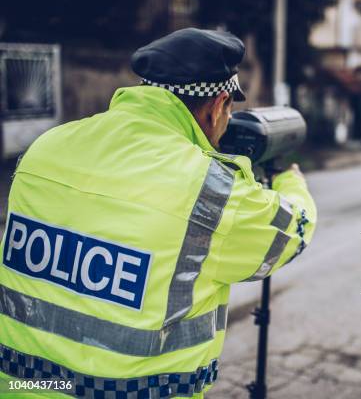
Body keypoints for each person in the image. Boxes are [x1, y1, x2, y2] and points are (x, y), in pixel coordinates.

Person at [0, 28, 316, 398]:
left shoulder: (47, 146)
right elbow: (292, 231)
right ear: (218, 106)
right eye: (230, 110)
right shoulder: (210, 190)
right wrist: (290, 181)